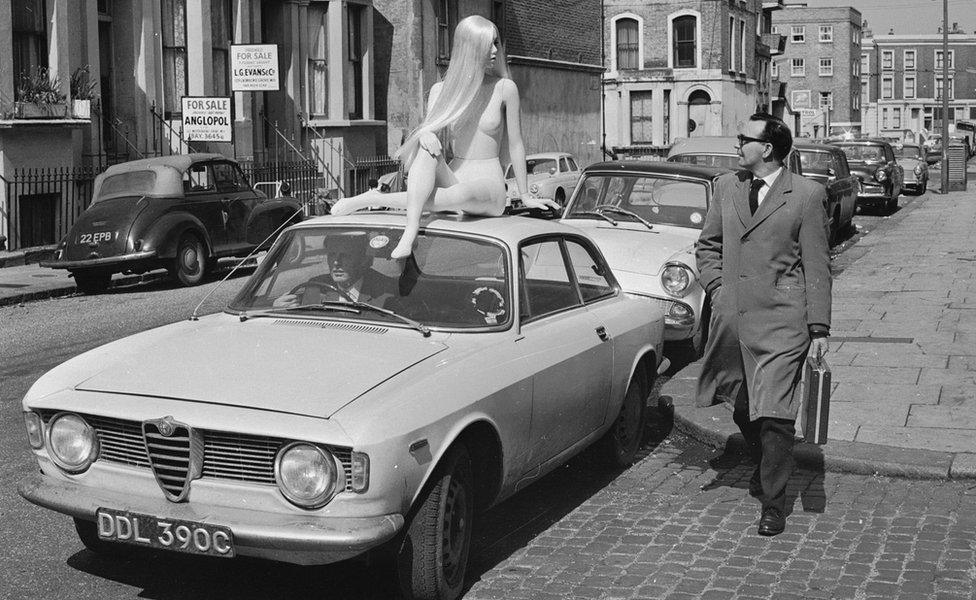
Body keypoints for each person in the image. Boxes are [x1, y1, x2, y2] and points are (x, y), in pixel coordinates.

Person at [695, 113, 831, 537]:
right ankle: (764, 463)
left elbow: (817, 265)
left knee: (774, 413)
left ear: (767, 149)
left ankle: (773, 503)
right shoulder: (726, 187)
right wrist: (718, 288)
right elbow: (707, 246)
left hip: (781, 321)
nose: (738, 144)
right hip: (733, 318)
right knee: (740, 404)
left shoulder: (807, 195)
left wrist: (819, 329)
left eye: (744, 138)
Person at [329, 15, 558, 258]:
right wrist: (426, 134)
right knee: (428, 149)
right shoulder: (440, 91)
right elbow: (429, 130)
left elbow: (516, 144)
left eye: (496, 43)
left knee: (458, 195)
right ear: (469, 47)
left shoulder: (504, 88)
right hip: (454, 173)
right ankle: (411, 227)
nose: (494, 50)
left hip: (489, 185)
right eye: (486, 44)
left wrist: (524, 195)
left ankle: (370, 200)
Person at [273, 232, 395, 307]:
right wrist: (280, 309)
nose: (336, 262)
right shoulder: (316, 287)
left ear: (362, 259)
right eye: (332, 255)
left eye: (345, 255)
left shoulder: (385, 290)